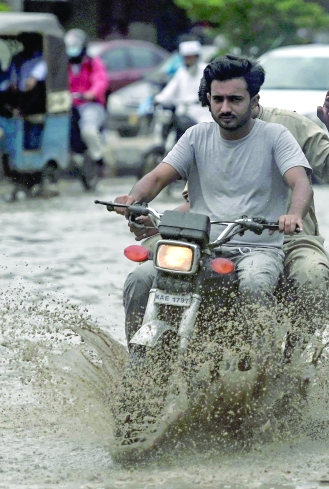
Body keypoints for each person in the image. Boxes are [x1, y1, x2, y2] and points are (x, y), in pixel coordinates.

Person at [113, 55, 313, 345]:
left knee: (256, 285)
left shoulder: (275, 136)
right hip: (197, 245)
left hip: (256, 249)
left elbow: (300, 181)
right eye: (217, 100)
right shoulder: (196, 136)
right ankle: (137, 363)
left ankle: (262, 361)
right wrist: (134, 198)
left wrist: (293, 214)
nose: (225, 108)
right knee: (140, 279)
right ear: (207, 99)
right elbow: (158, 177)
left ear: (254, 100)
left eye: (235, 100)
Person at [65, 29, 108, 165]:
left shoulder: (93, 63)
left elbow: (101, 81)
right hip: (69, 105)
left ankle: (98, 157)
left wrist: (91, 93)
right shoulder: (64, 65)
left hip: (90, 105)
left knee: (88, 130)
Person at [154, 40, 212, 125]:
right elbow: (170, 90)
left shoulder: (207, 71)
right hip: (183, 112)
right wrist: (158, 99)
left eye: (191, 57)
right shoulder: (181, 72)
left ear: (197, 57)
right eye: (186, 57)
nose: (188, 60)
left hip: (202, 113)